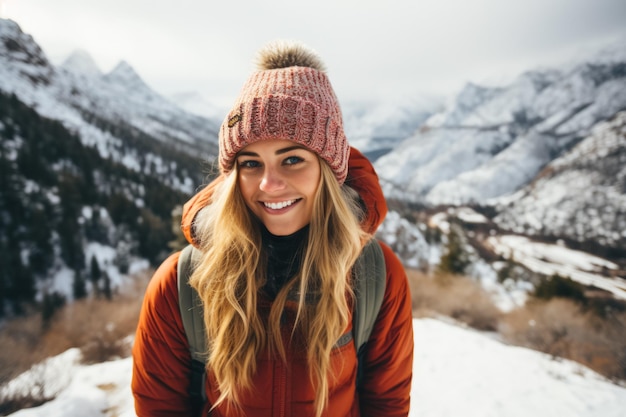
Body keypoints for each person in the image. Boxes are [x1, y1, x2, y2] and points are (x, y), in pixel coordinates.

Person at [131, 40, 414, 417]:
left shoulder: (373, 276)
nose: (268, 184)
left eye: (292, 159)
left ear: (328, 171)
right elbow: (159, 409)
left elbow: (387, 405)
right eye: (250, 163)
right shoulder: (184, 283)